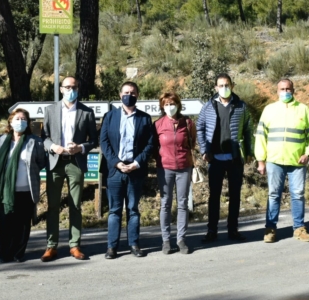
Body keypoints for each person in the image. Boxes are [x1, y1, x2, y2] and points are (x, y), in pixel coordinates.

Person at [255, 79, 309, 243]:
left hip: (297, 162)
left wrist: (308, 154)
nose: (285, 92)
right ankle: (270, 229)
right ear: (277, 91)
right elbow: (261, 137)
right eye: (282, 89)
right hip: (274, 161)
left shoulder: (303, 110)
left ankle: (299, 228)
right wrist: (260, 161)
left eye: (288, 89)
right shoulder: (269, 110)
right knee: (273, 195)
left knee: (298, 195)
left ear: (294, 90)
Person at [41, 76, 98, 262]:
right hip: (55, 163)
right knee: (53, 206)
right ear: (60, 89)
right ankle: (51, 246)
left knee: (75, 205)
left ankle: (74, 245)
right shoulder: (50, 111)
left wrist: (80, 147)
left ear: (78, 88)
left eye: (74, 87)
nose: (70, 90)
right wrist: (52, 147)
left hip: (76, 162)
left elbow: (93, 140)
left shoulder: (87, 112)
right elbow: (44, 137)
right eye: (67, 87)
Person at [197, 73, 254, 243]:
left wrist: (249, 151)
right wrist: (203, 149)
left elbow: (248, 129)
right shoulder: (208, 107)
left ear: (232, 86)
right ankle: (212, 231)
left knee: (235, 196)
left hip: (235, 159)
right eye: (221, 85)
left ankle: (233, 230)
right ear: (215, 88)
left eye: (227, 85)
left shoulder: (240, 106)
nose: (224, 88)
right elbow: (199, 127)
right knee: (214, 196)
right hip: (214, 159)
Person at [100, 81, 154, 259]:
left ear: (137, 95)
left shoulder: (145, 118)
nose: (128, 95)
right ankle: (111, 247)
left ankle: (134, 244)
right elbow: (104, 142)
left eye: (132, 92)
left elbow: (150, 144)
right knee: (114, 210)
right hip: (115, 171)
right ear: (119, 94)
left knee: (133, 209)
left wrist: (137, 163)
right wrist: (116, 162)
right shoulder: (110, 116)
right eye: (125, 92)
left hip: (135, 170)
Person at [0, 109, 46, 262]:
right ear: (10, 121)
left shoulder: (35, 140)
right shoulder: (1, 140)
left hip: (25, 189)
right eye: (17, 118)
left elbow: (41, 162)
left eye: (23, 119)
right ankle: (5, 253)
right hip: (4, 190)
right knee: (5, 223)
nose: (20, 121)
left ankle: (18, 253)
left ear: (27, 123)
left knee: (22, 224)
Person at [153, 92, 196, 254]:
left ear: (178, 105)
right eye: (166, 104)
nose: (170, 107)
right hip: (164, 168)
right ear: (162, 107)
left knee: (183, 203)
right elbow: (154, 146)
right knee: (165, 203)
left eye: (172, 104)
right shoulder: (158, 124)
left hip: (184, 167)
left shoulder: (188, 123)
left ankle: (181, 239)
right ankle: (165, 240)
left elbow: (192, 142)